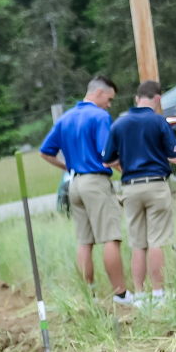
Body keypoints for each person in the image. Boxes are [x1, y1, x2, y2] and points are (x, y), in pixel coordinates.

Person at [40, 76, 130, 305]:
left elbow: (45, 152)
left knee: (85, 241)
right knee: (111, 237)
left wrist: (67, 167)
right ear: (99, 92)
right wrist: (128, 174)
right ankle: (121, 295)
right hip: (95, 182)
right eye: (109, 99)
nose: (109, 104)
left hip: (74, 184)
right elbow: (107, 156)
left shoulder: (66, 118)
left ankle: (87, 296)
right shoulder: (100, 116)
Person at [105, 80, 176, 305]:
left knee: (138, 243)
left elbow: (108, 159)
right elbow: (174, 157)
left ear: (137, 99)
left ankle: (139, 294)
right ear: (157, 99)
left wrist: (126, 167)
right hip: (156, 184)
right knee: (157, 240)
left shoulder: (119, 124)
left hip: (130, 187)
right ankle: (158, 293)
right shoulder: (159, 121)